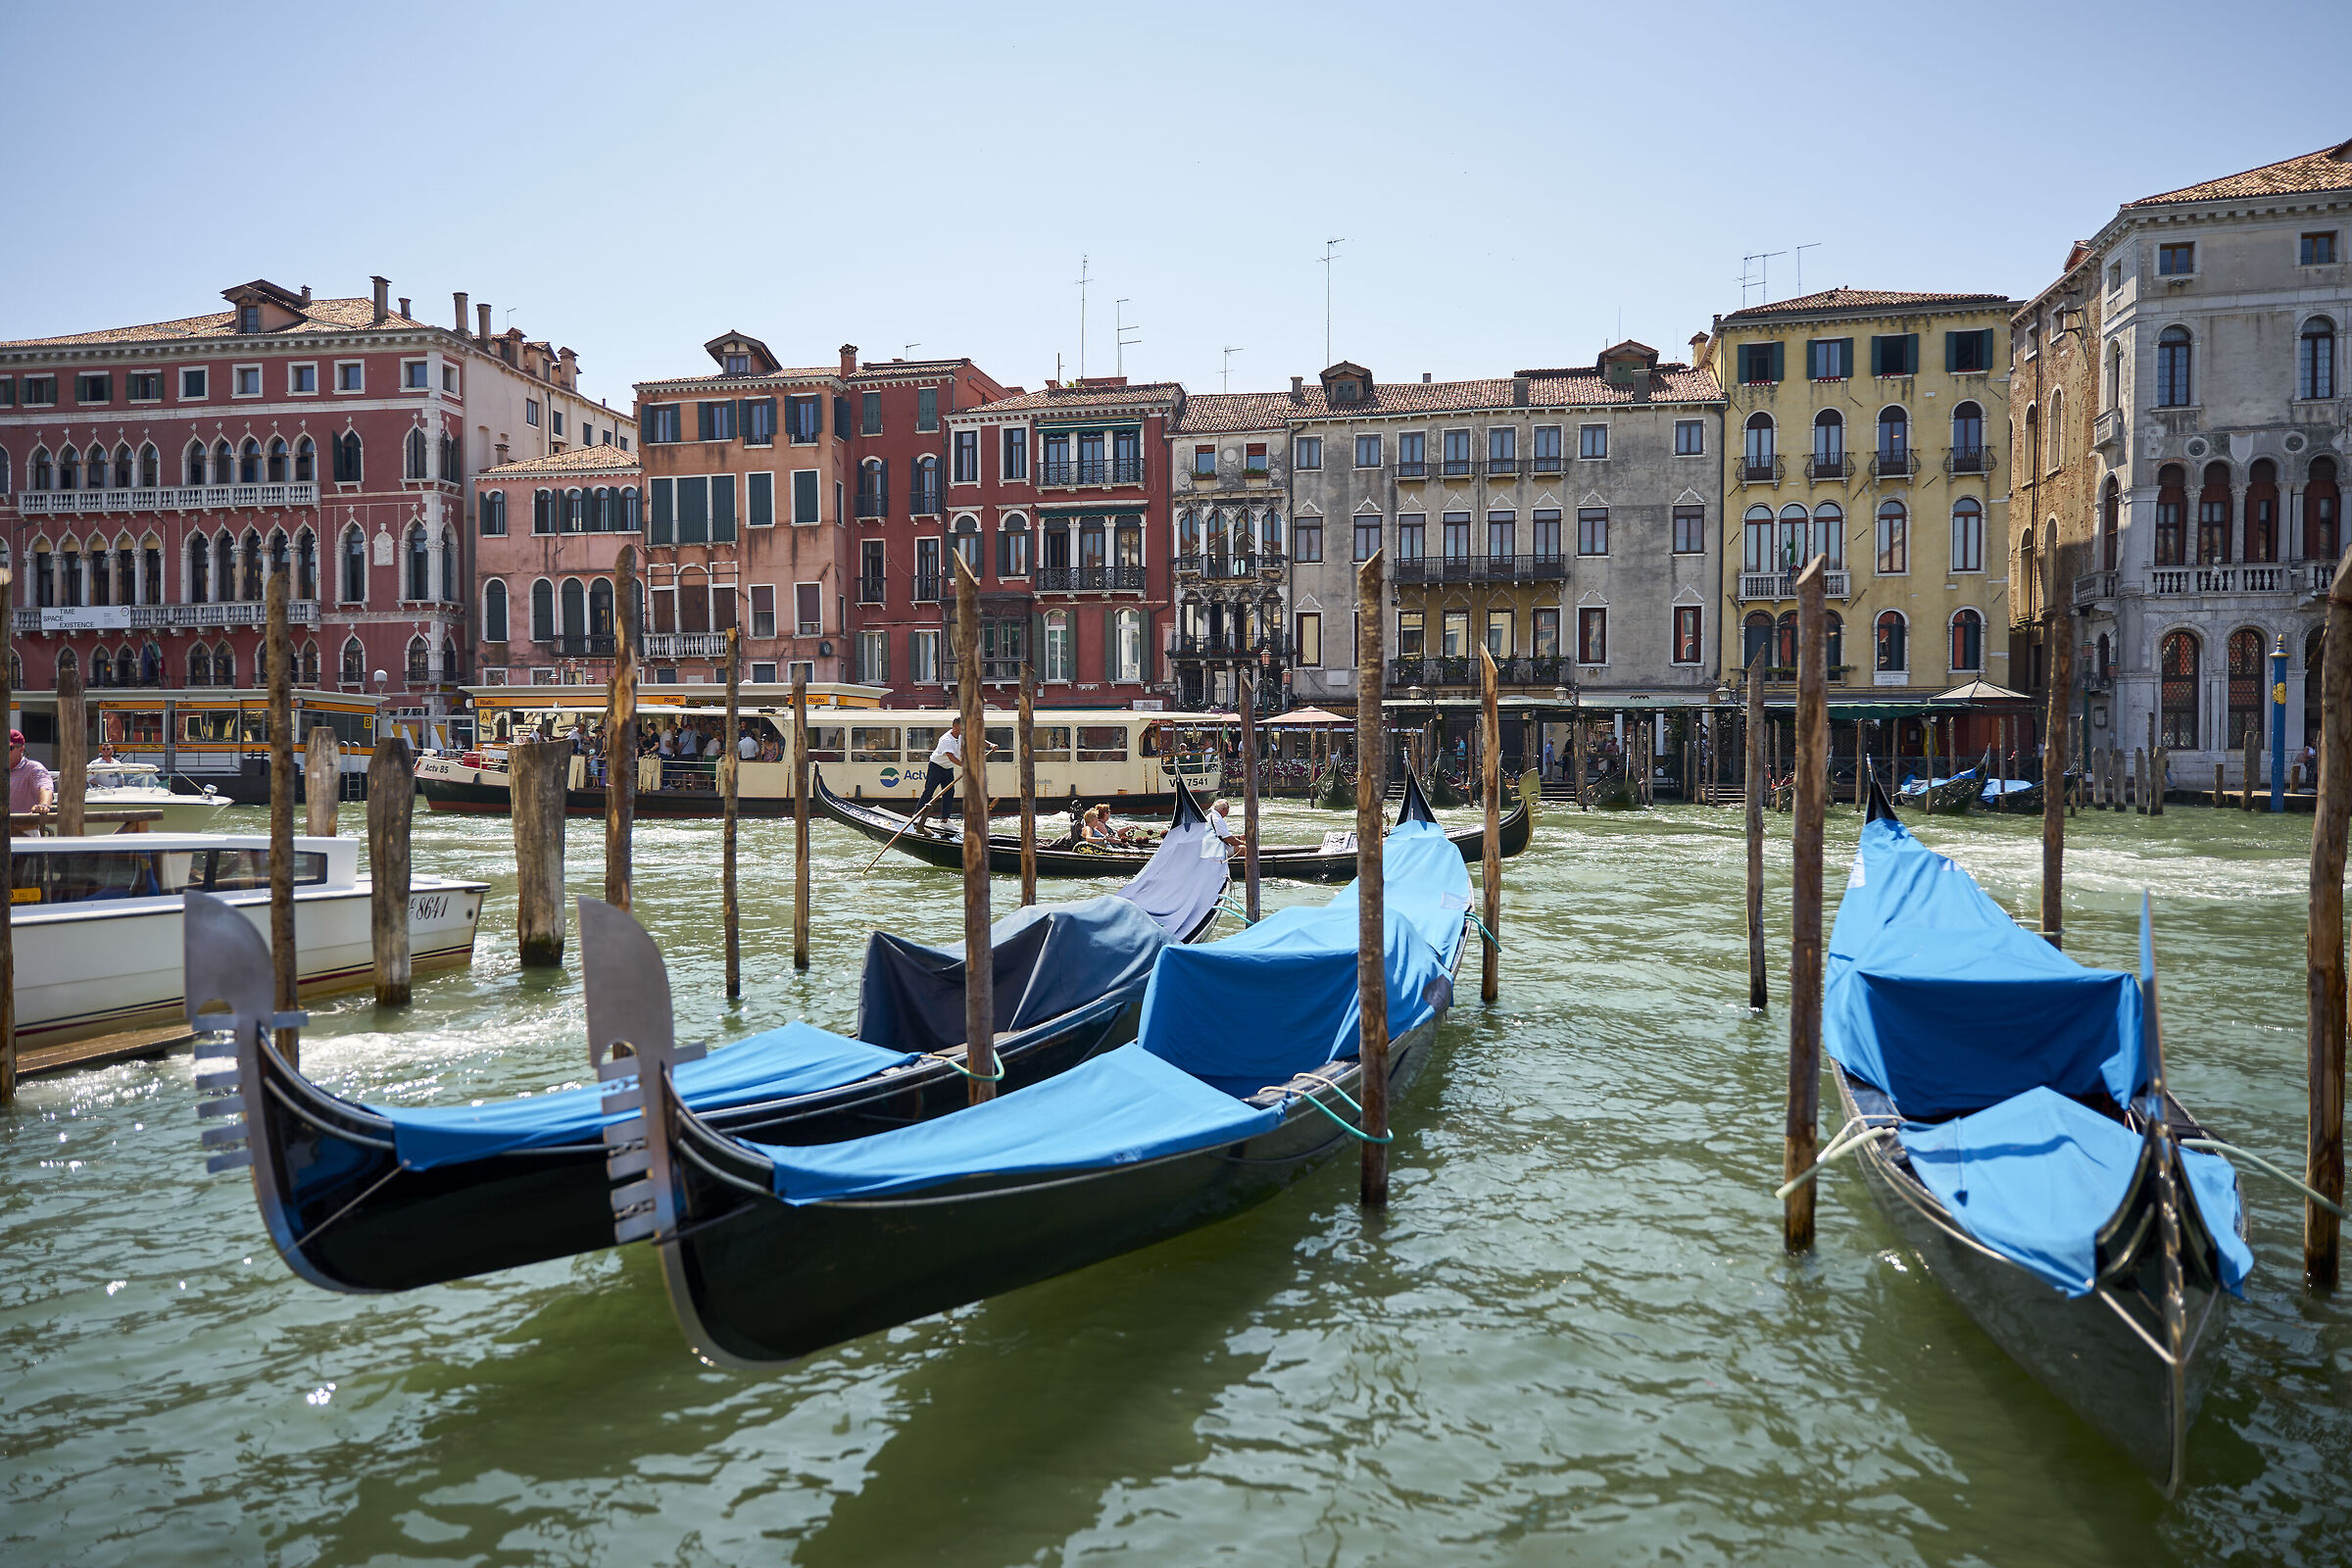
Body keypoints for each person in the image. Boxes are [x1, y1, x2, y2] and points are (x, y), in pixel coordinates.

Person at [919, 717, 992, 824]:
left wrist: (990, 745)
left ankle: (945, 820)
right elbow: (951, 757)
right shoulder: (946, 739)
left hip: (948, 769)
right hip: (936, 767)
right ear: (954, 727)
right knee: (929, 792)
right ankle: (918, 816)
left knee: (949, 793)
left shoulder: (962, 736)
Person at [9, 730, 56, 817]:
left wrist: (43, 806)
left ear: (21, 749)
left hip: (24, 829)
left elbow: (46, 788)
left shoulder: (33, 769)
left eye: (8, 748)